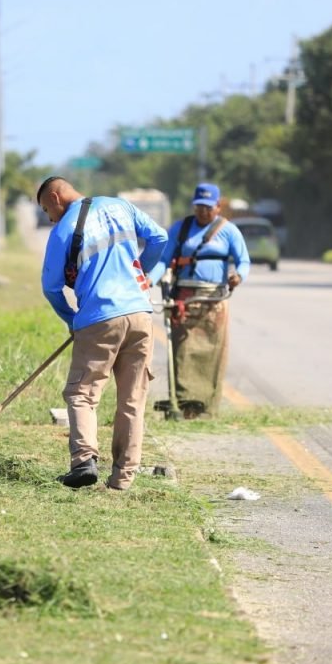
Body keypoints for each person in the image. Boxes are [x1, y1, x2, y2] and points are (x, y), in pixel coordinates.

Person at [37, 176, 169, 490]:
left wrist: (71, 318)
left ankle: (84, 461)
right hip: (140, 314)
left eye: (46, 209)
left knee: (82, 393)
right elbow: (159, 237)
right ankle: (122, 480)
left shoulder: (62, 230)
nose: (48, 216)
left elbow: (51, 287)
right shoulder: (120, 206)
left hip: (99, 317)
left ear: (56, 197)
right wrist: (143, 276)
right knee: (132, 399)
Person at [147, 183, 250, 419]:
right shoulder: (180, 229)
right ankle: (183, 403)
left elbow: (243, 261)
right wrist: (148, 281)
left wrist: (238, 276)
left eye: (208, 207)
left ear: (218, 206)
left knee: (211, 352)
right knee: (183, 351)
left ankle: (206, 406)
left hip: (214, 299)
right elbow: (164, 259)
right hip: (184, 297)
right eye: (199, 207)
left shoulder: (229, 230)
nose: (203, 212)